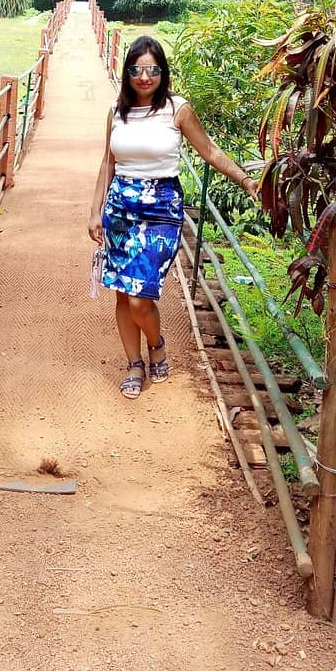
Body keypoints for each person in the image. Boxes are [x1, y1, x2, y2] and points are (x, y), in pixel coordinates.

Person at [87, 34, 258, 398]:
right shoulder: (116, 112)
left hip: (161, 209)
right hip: (120, 209)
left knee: (140, 295)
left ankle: (157, 344)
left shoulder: (178, 110)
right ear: (127, 72)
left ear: (163, 72)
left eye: (152, 70)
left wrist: (246, 180)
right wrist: (95, 211)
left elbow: (211, 152)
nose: (144, 77)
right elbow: (108, 163)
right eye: (137, 70)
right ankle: (134, 364)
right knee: (123, 293)